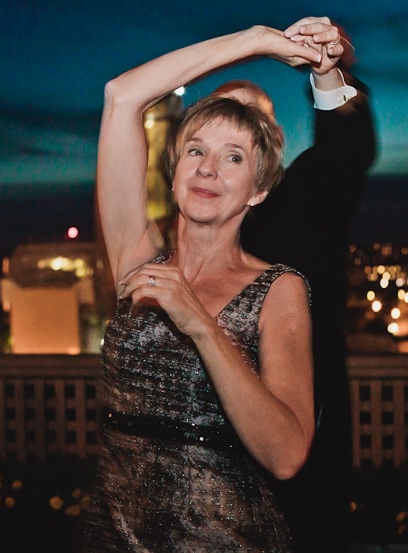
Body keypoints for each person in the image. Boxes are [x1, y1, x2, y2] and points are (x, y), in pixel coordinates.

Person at [81, 18, 338, 552]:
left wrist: (200, 323)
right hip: (113, 537)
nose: (208, 170)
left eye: (234, 158)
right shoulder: (136, 258)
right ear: (173, 171)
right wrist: (259, 42)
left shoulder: (279, 289)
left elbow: (287, 455)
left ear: (258, 191)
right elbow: (121, 96)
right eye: (196, 150)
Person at [219, 17, 377, 553]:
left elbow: (345, 151)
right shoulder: (173, 229)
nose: (235, 133)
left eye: (250, 119)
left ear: (273, 142)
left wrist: (328, 74)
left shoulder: (305, 201)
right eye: (221, 118)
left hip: (298, 476)